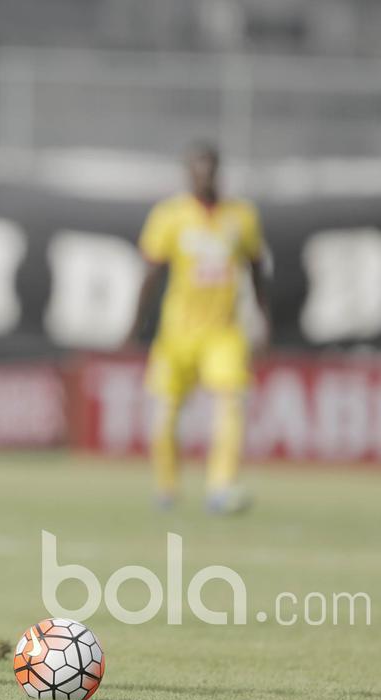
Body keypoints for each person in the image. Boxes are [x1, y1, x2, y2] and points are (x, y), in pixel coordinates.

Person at [125, 141, 269, 514]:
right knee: (167, 411)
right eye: (196, 166)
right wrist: (135, 323)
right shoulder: (170, 216)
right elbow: (151, 272)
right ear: (187, 172)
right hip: (178, 331)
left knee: (231, 402)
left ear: (219, 170)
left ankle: (221, 486)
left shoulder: (241, 216)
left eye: (209, 166)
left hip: (224, 330)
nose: (203, 173)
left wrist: (262, 315)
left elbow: (255, 267)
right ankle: (167, 486)